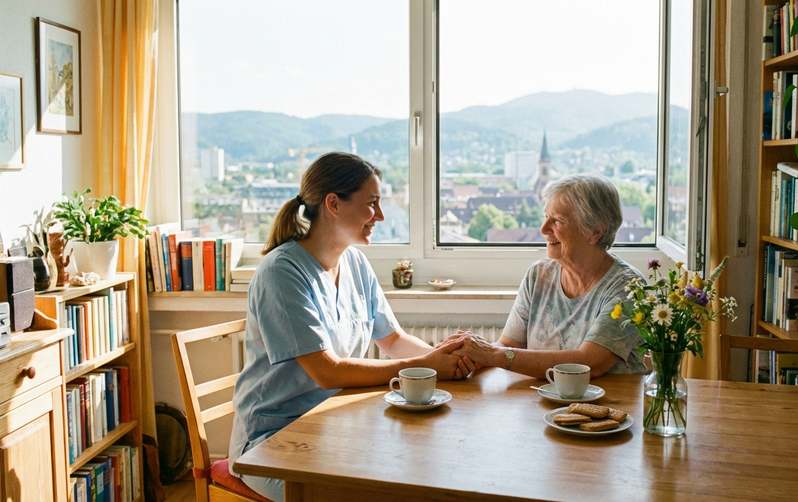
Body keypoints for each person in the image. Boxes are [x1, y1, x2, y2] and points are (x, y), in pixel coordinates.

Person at [228, 152, 471, 501]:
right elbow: (327, 372)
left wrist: (448, 358)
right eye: (372, 204)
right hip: (273, 443)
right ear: (333, 203)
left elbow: (393, 339)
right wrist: (426, 366)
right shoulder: (281, 272)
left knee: (424, 471)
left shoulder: (354, 261)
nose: (381, 216)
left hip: (338, 426)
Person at [448, 174, 647, 378]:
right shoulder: (539, 274)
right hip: (540, 400)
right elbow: (508, 346)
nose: (543, 229)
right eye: (546, 217)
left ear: (595, 231)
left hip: (609, 405)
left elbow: (589, 363)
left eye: (558, 221)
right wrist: (471, 356)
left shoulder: (628, 288)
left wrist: (492, 354)